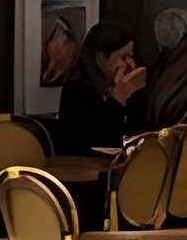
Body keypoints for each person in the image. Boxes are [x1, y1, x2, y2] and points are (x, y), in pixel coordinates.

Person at [50, 20, 148, 157]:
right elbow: (98, 140)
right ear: (100, 58)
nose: (129, 64)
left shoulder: (128, 86)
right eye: (123, 57)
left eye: (130, 57)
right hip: (87, 168)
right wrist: (118, 100)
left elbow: (139, 134)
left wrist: (138, 94)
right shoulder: (76, 89)